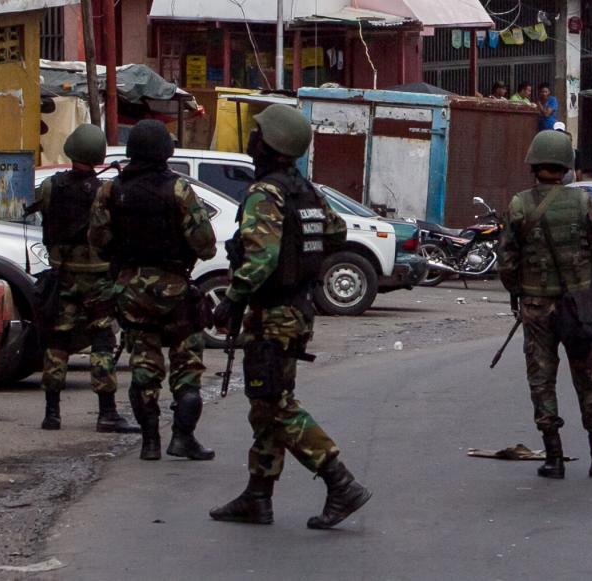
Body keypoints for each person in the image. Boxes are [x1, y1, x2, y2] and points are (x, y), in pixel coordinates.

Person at [209, 106, 372, 530]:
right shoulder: (306, 191)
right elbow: (335, 232)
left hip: (273, 313)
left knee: (276, 405)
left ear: (270, 143)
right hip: (297, 308)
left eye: (256, 134)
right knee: (265, 404)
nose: (251, 141)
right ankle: (258, 496)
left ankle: (341, 482)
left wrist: (232, 297)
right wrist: (299, 257)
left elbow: (261, 259)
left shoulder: (267, 193)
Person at [90, 118, 219, 464]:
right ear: (165, 151)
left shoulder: (111, 190)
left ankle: (150, 443)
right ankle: (183, 438)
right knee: (187, 366)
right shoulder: (178, 190)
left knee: (144, 365)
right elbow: (206, 245)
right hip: (175, 289)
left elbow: (98, 240)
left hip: (131, 290)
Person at [498, 128, 592, 480]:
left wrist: (521, 292)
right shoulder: (584, 203)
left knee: (541, 380)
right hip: (578, 307)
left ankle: (554, 459)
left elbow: (506, 264)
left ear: (534, 164)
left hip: (536, 308)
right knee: (586, 377)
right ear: (566, 167)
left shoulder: (519, 205)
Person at [29, 123, 123, 434]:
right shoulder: (106, 191)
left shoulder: (50, 187)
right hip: (98, 278)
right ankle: (106, 412)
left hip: (63, 276)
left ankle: (51, 413)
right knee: (102, 341)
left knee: (57, 342)